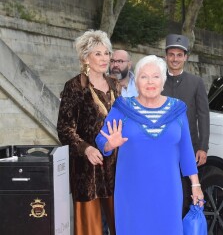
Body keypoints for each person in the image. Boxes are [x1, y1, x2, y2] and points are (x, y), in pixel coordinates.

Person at [96, 55, 205, 235]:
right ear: (136, 81)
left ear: (163, 81)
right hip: (132, 190)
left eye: (155, 76)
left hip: (168, 190)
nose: (150, 82)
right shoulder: (123, 108)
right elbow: (100, 141)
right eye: (144, 77)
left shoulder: (177, 109)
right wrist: (109, 144)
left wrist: (195, 185)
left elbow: (186, 150)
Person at [57, 30, 120, 235]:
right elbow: (65, 128)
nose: (104, 58)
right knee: (89, 230)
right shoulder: (74, 86)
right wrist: (86, 149)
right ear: (85, 57)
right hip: (87, 169)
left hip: (116, 166)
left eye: (107, 53)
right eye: (98, 53)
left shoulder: (115, 85)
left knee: (121, 224)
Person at [162, 34, 210, 216]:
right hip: (162, 146)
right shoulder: (156, 80)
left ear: (185, 57)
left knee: (185, 193)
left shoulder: (196, 82)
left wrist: (203, 147)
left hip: (189, 147)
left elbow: (203, 115)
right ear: (166, 56)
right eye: (171, 54)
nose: (175, 58)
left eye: (179, 55)